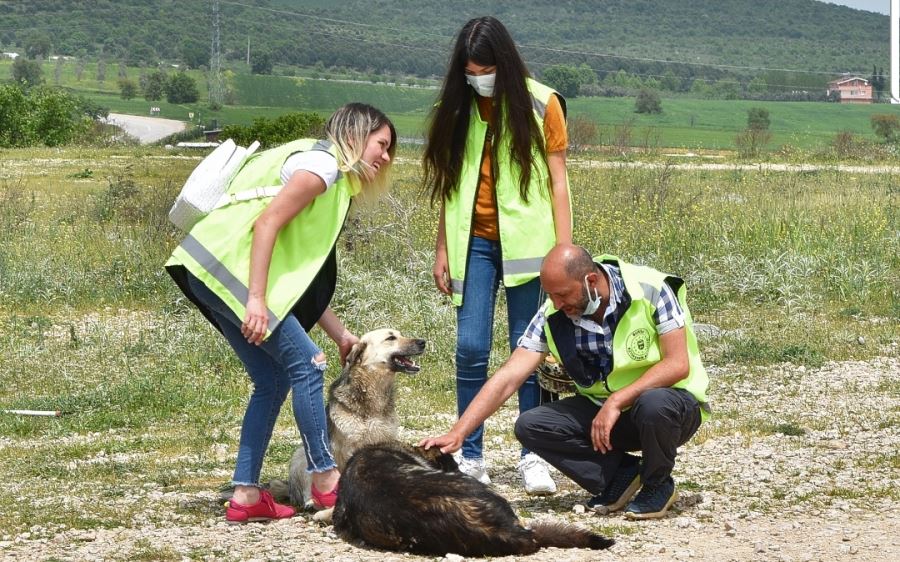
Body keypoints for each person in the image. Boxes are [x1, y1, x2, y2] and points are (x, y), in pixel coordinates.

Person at [165, 103, 396, 523]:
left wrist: (341, 333)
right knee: (308, 365)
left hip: (206, 268)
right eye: (381, 144)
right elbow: (266, 224)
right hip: (228, 270)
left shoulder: (320, 166)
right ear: (356, 134)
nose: (384, 157)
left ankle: (247, 494)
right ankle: (326, 478)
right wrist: (255, 299)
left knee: (271, 381)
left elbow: (293, 274)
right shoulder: (322, 169)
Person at [422, 244, 710, 520]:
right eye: (551, 296)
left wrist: (618, 400)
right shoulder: (553, 312)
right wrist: (459, 432)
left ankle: (657, 483)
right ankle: (622, 474)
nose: (557, 304)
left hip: (668, 410)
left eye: (562, 295)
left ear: (591, 280)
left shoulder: (651, 288)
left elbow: (677, 363)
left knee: (653, 403)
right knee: (531, 425)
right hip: (607, 418)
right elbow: (510, 375)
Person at [421, 16, 571, 494]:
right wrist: (443, 246)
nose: (477, 77)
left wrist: (564, 255)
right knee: (469, 349)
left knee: (528, 353)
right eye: (469, 70)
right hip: (474, 245)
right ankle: (471, 456)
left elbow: (559, 183)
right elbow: (448, 185)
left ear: (503, 64)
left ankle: (534, 456)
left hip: (531, 249)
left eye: (484, 69)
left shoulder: (542, 103)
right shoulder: (455, 105)